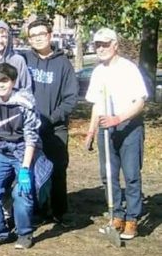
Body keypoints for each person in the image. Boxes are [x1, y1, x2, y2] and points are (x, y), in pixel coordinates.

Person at [0, 63, 51, 250]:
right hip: (2, 152)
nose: (0, 85)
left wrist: (26, 169)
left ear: (13, 81)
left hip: (23, 151)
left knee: (21, 193)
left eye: (5, 80)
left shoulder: (25, 103)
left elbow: (31, 138)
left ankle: (24, 234)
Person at [83, 28, 147, 240]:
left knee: (131, 175)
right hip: (105, 128)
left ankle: (132, 219)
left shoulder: (129, 69)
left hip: (128, 127)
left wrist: (118, 118)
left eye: (104, 44)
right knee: (108, 174)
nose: (100, 48)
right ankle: (117, 215)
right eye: (97, 45)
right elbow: (96, 105)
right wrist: (91, 131)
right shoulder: (98, 71)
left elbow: (140, 102)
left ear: (115, 45)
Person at [20, 18, 78, 225]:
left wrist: (52, 118)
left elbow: (71, 98)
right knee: (31, 169)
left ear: (50, 35)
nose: (37, 39)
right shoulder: (24, 60)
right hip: (29, 128)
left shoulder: (63, 63)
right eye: (33, 36)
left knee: (57, 169)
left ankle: (59, 211)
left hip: (55, 128)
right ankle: (36, 211)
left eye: (41, 34)